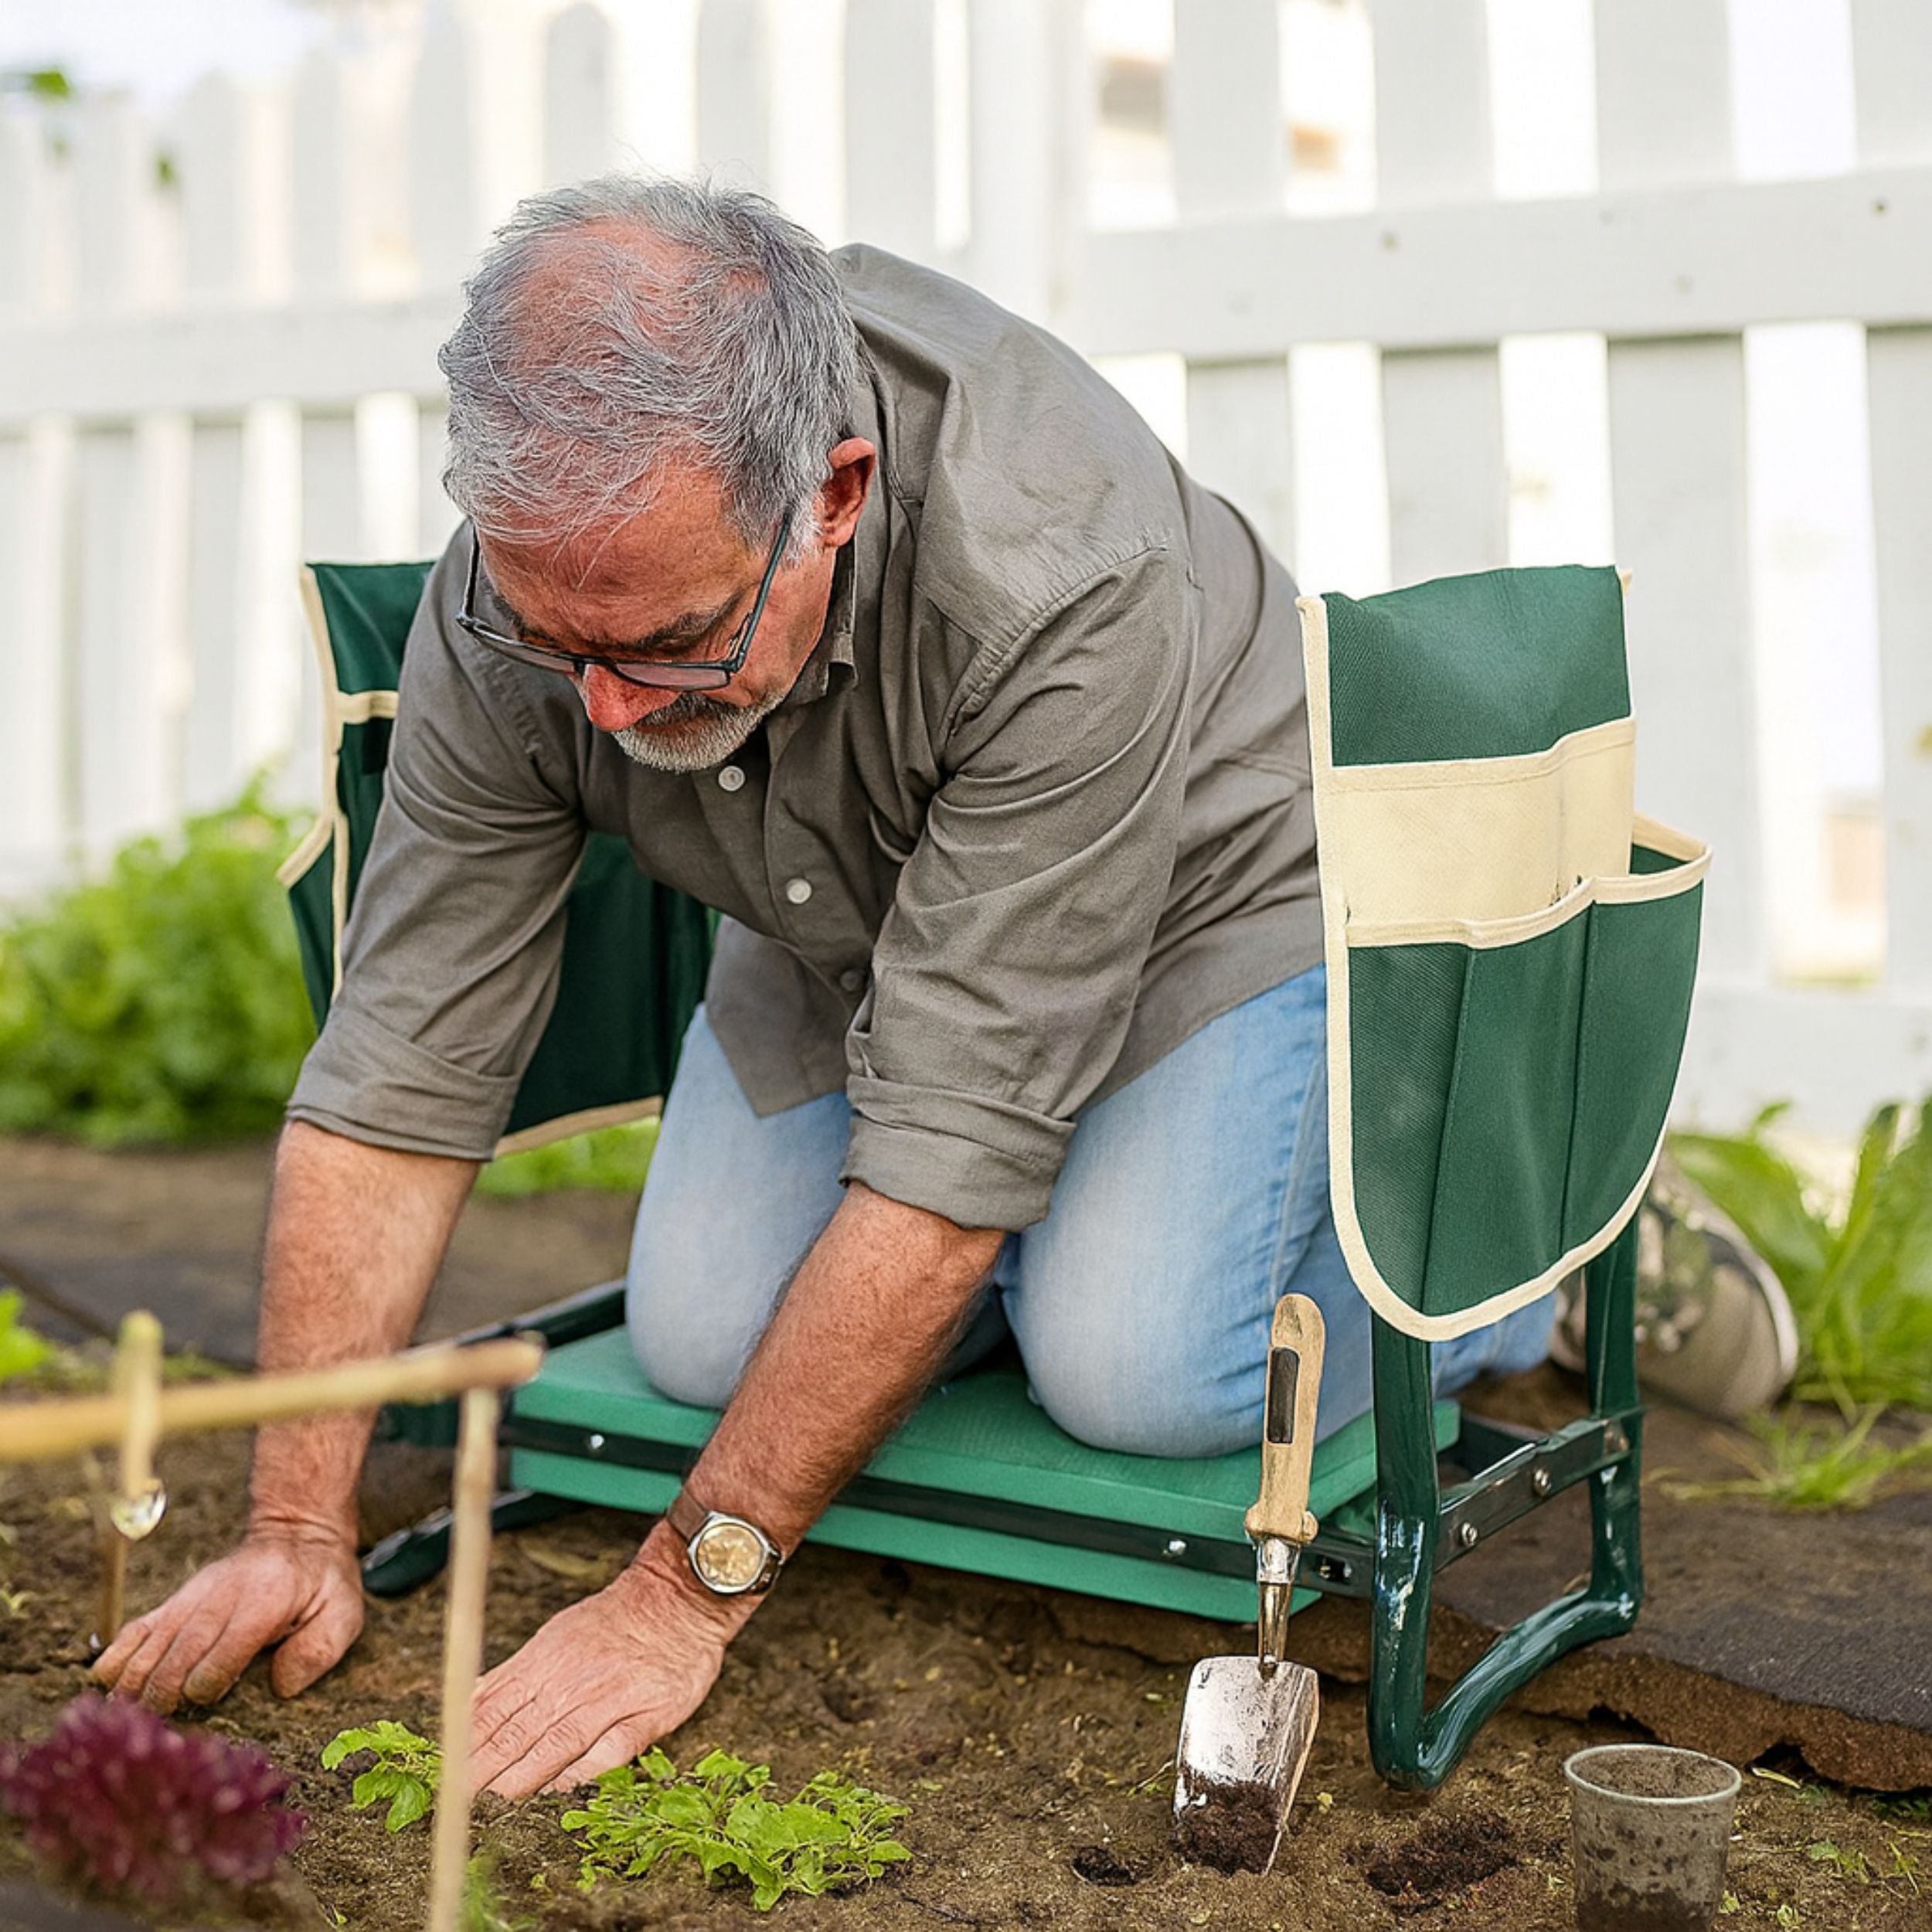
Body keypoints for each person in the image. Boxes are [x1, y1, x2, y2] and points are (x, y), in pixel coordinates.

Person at [91, 175, 1785, 1796]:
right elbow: (394, 1074)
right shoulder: (529, 598)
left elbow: (950, 1150)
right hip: (846, 910)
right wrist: (292, 1525)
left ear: (831, 494)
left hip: (1206, 893)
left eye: (671, 643)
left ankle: (1517, 1272)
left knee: (1135, 1374)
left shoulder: (1060, 568)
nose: (604, 711)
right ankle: (1029, 1261)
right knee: (699, 1342)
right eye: (561, 649)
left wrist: (681, 1591)